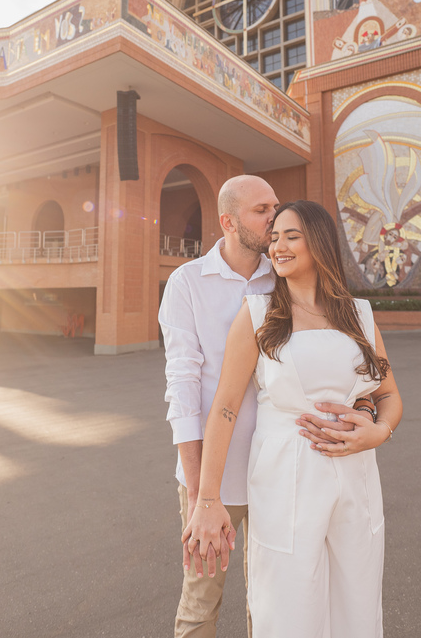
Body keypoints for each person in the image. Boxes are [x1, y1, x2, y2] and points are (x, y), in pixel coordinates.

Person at [184, 200, 404, 638]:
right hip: (284, 477)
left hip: (355, 477)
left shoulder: (359, 314)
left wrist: (378, 432)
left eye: (291, 236)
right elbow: (225, 409)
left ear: (319, 243)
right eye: (274, 237)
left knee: (356, 602)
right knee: (289, 607)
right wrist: (206, 499)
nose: (278, 246)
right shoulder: (258, 314)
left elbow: (389, 394)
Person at [159, 175, 278, 638]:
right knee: (200, 603)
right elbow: (183, 387)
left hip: (275, 468)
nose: (274, 217)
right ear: (228, 221)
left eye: (275, 206)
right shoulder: (188, 283)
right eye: (261, 209)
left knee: (269, 601)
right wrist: (199, 496)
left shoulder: (282, 275)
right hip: (215, 478)